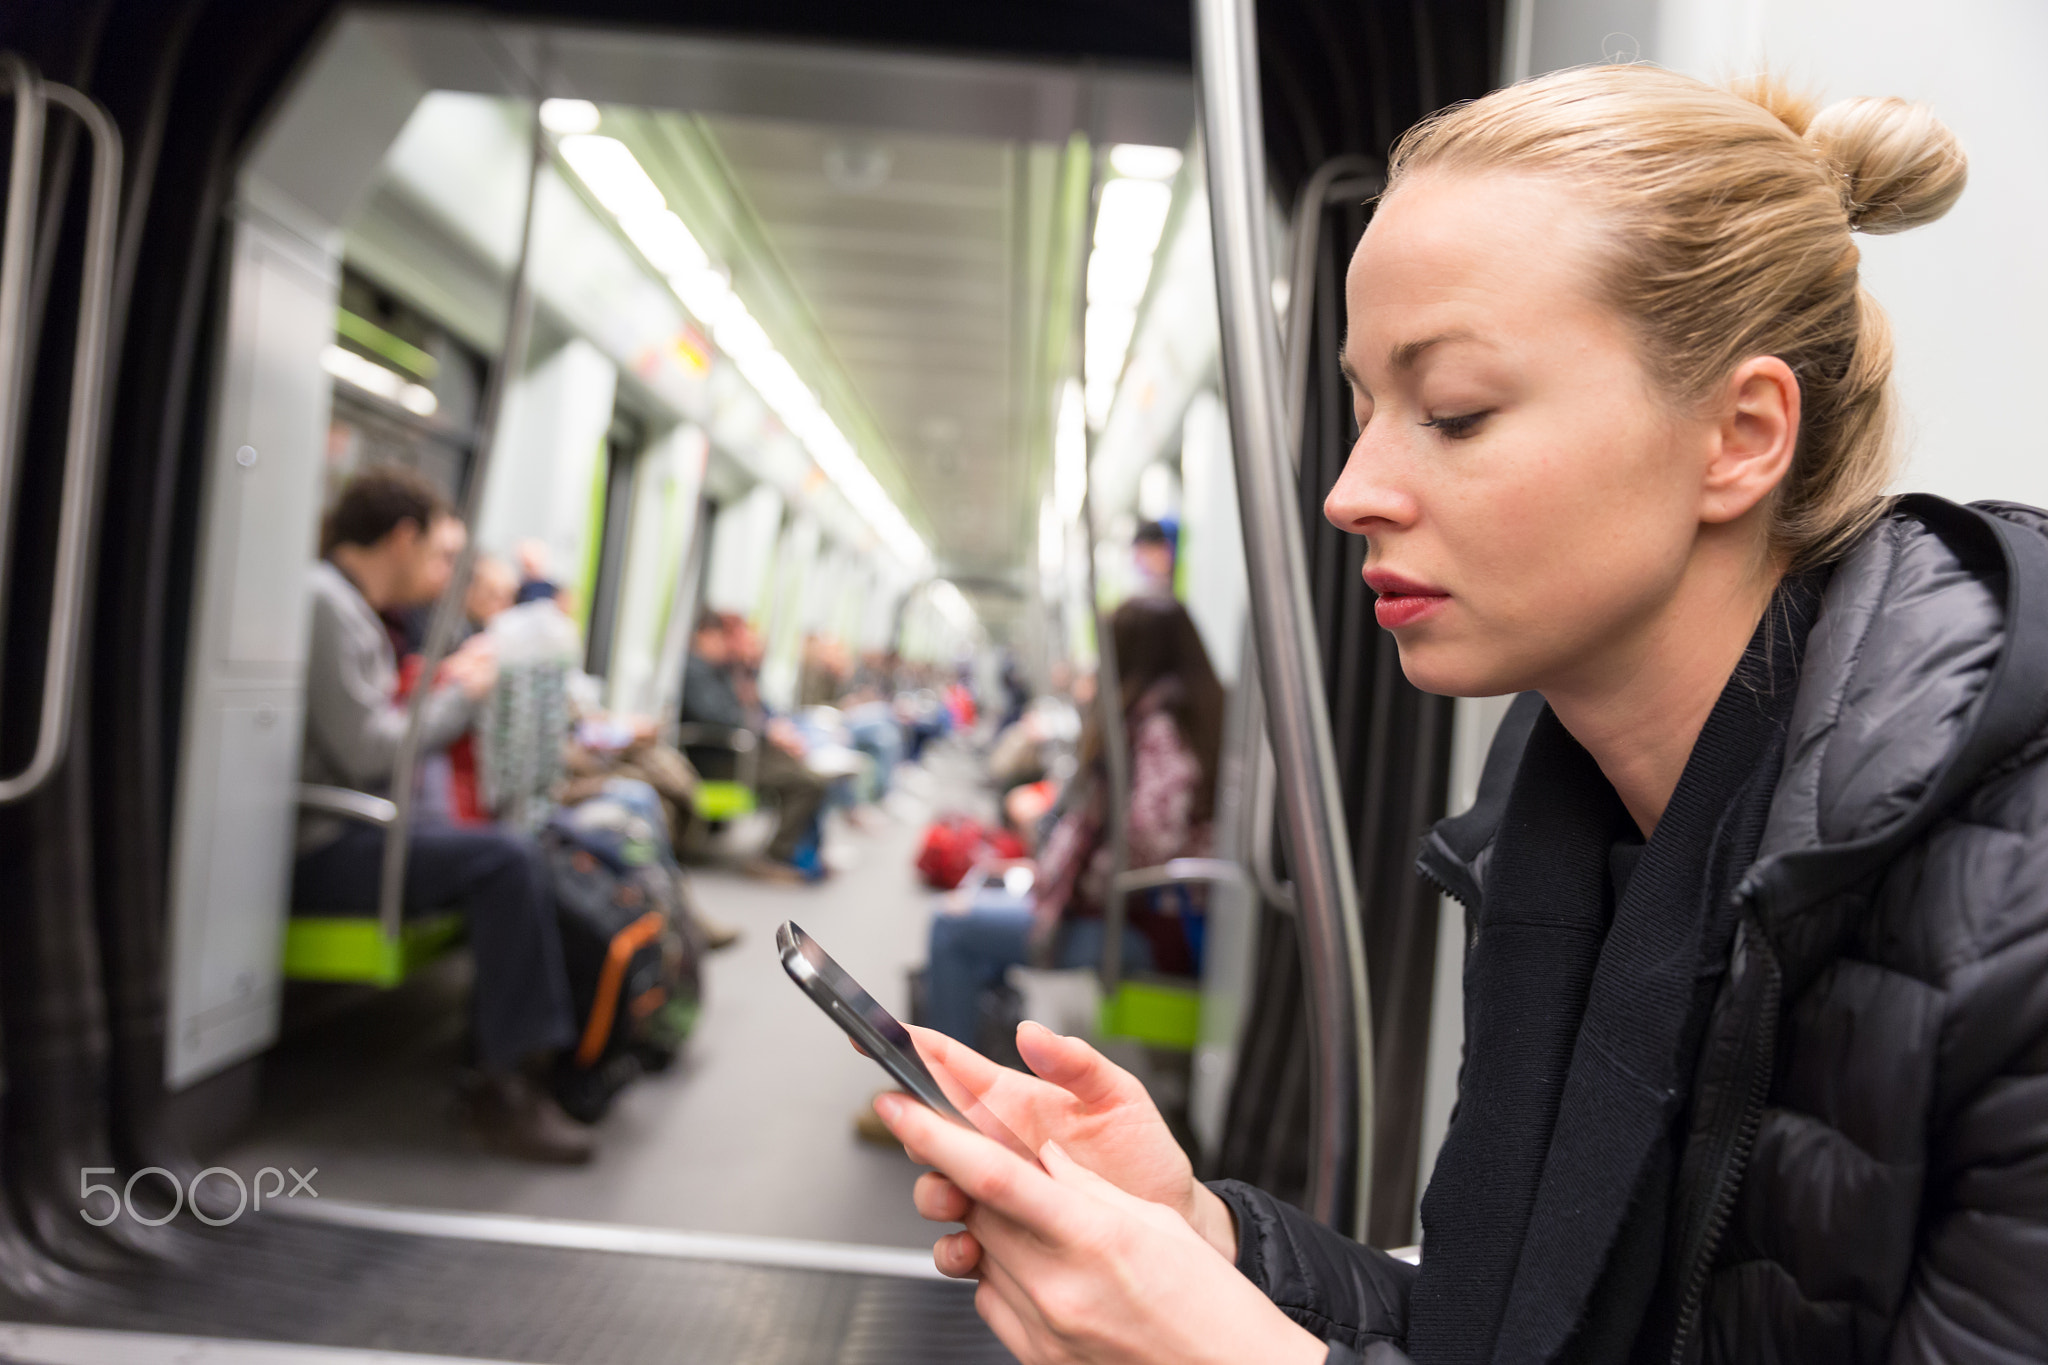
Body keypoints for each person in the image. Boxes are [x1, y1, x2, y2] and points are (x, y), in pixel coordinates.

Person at [872, 67, 2048, 1365]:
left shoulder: (2016, 917)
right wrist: (1207, 1238)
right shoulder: (1569, 838)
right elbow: (1505, 1337)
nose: (1351, 489)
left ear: (1741, 433)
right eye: (1366, 408)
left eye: (1454, 413)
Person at [291, 467, 591, 1164]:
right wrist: (464, 695)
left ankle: (522, 1060)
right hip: (329, 842)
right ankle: (503, 1086)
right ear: (402, 537)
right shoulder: (327, 604)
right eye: (440, 553)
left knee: (518, 846)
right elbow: (369, 750)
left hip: (365, 828)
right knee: (505, 857)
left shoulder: (356, 610)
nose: (447, 571)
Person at [922, 596, 1223, 1048]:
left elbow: (1146, 838)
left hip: (1134, 925)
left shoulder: (1157, 727)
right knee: (981, 905)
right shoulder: (1190, 716)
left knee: (951, 927)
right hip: (1145, 917)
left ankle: (944, 1091)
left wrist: (1070, 883)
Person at [679, 612, 830, 880]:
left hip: (742, 750)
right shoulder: (694, 669)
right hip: (723, 757)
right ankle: (776, 856)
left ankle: (806, 856)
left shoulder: (725, 670)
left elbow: (756, 708)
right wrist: (765, 730)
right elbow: (719, 716)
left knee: (812, 774)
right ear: (705, 636)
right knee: (808, 783)